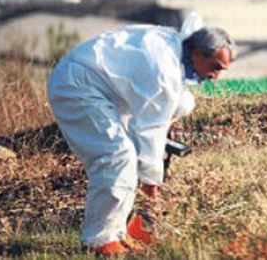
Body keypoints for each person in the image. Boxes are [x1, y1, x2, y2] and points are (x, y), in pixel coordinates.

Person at [47, 14, 235, 255]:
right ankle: (98, 241)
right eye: (216, 67)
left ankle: (117, 233)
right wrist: (151, 187)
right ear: (198, 53)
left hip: (107, 90)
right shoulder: (163, 71)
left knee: (185, 102)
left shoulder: (173, 49)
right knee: (117, 156)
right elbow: (149, 130)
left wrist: (164, 124)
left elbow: (160, 111)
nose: (215, 76)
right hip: (78, 86)